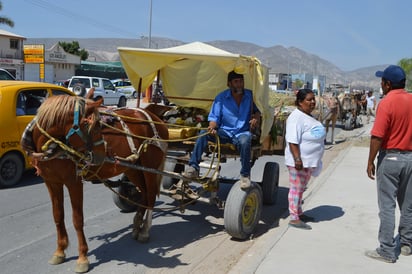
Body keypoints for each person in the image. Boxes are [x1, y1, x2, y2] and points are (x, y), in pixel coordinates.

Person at [365, 65, 412, 263]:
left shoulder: (386, 103)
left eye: (382, 81)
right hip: (410, 158)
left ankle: (386, 249)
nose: (381, 85)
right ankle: (407, 244)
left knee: (387, 206)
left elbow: (377, 136)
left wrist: (370, 161)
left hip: (391, 158)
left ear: (387, 84)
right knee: (408, 205)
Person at [184, 70, 261, 189]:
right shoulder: (221, 98)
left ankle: (245, 175)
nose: (239, 84)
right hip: (225, 132)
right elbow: (214, 118)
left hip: (242, 133)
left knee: (245, 141)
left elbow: (257, 111)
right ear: (229, 84)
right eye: (236, 82)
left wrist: (255, 118)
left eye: (241, 81)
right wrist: (212, 127)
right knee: (203, 133)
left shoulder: (250, 96)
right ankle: (193, 167)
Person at [285, 88, 326, 230]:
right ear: (300, 102)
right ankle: (294, 218)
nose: (313, 102)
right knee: (296, 189)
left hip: (308, 161)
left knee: (301, 189)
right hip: (299, 162)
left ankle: (299, 213)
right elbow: (292, 141)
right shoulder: (296, 118)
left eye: (313, 99)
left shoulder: (307, 116)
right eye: (309, 99)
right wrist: (297, 159)